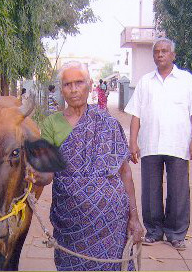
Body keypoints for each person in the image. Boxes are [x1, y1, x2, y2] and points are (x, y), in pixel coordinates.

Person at [28, 61, 144, 271]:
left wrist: (134, 217)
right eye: (67, 84)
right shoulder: (51, 124)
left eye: (79, 83)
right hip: (71, 220)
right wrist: (34, 177)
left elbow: (125, 172)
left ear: (90, 85)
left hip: (111, 220)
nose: (73, 90)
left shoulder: (107, 123)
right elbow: (47, 174)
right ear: (61, 89)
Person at [124, 38, 192, 251]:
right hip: (150, 144)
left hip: (178, 145)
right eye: (157, 52)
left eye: (164, 51)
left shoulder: (186, 80)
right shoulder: (145, 82)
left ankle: (176, 234)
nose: (160, 54)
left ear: (173, 55)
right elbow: (136, 115)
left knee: (179, 191)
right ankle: (154, 231)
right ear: (153, 56)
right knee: (150, 191)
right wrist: (133, 142)